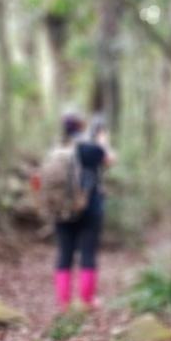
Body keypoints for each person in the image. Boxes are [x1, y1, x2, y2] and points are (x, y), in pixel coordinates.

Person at [54, 113, 116, 310]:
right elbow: (110, 160)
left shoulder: (57, 149)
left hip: (60, 209)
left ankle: (64, 303)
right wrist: (103, 141)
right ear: (82, 126)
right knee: (87, 254)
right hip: (89, 209)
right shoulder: (90, 148)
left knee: (64, 254)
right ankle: (87, 301)